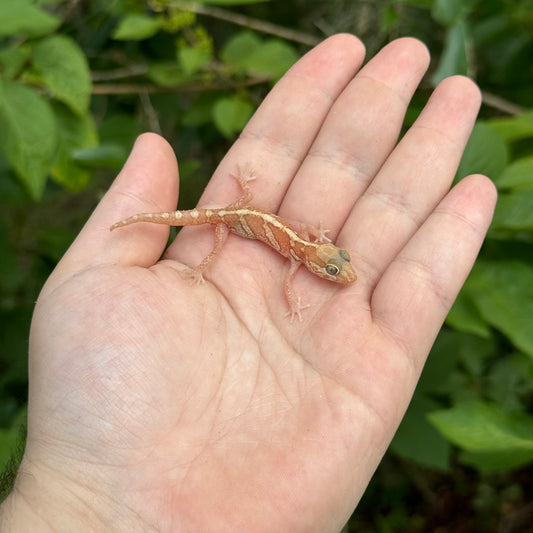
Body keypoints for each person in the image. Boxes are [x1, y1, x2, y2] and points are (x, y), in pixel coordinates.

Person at [0, 34, 496, 532]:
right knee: (213, 245)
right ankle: (194, 255)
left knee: (219, 229)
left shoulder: (306, 247)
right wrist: (224, 269)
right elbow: (286, 286)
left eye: (335, 263)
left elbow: (304, 246)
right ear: (320, 261)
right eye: (333, 267)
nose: (336, 270)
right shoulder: (300, 257)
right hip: (227, 217)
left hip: (240, 209)